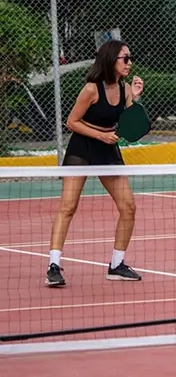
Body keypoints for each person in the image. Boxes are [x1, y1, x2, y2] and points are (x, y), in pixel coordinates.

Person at [45, 40, 145, 287]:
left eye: (130, 58)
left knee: (128, 207)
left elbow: (129, 123)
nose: (129, 63)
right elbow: (72, 122)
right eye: (125, 58)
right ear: (111, 60)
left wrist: (134, 97)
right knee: (68, 206)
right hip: (83, 148)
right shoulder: (91, 89)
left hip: (108, 150)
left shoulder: (123, 90)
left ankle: (116, 264)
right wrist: (100, 135)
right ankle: (53, 266)